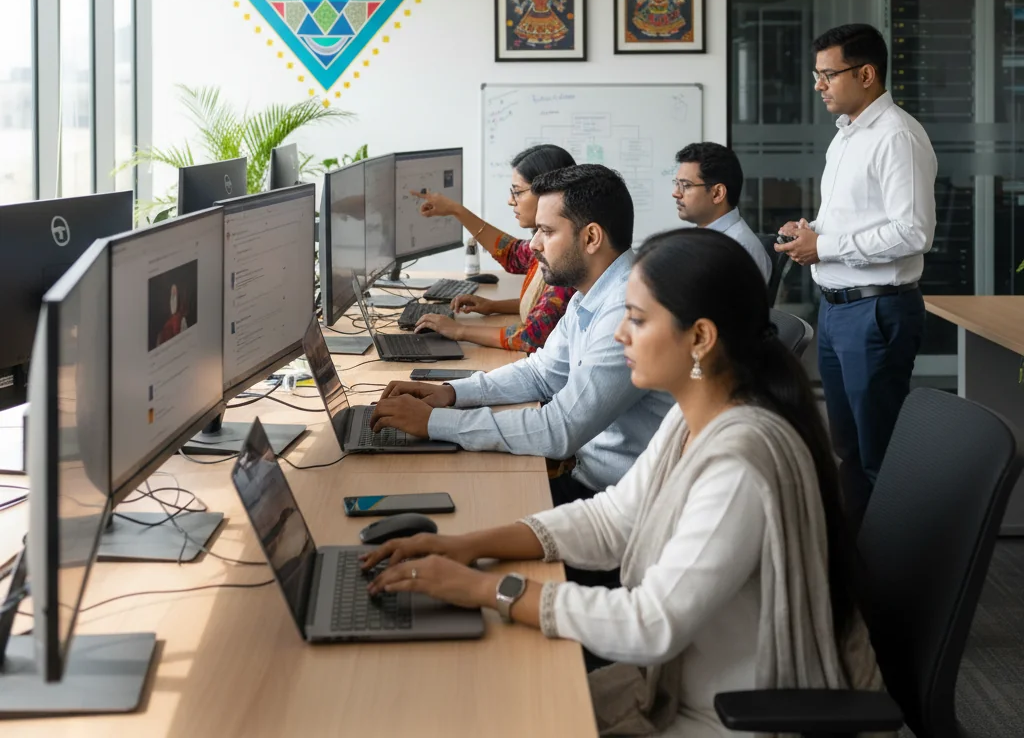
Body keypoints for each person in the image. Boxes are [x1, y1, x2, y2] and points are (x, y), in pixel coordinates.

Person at [361, 229, 884, 737]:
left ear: (700, 337)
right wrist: (466, 545)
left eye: (636, 319)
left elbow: (650, 623)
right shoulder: (694, 418)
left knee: (490, 701)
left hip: (724, 714)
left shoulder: (739, 463)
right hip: (677, 686)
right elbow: (613, 518)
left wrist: (484, 587)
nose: (618, 334)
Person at [371, 165, 675, 509]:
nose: (533, 245)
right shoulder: (590, 292)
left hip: (613, 502)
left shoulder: (626, 310)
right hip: (588, 481)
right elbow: (541, 373)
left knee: (461, 504)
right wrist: (452, 394)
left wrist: (435, 422)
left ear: (591, 238)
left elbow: (558, 430)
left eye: (546, 231)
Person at [777, 23, 936, 526]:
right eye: (817, 75)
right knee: (846, 448)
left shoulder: (898, 138)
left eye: (828, 75)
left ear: (866, 74)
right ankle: (856, 564)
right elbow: (853, 220)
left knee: (879, 454)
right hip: (839, 309)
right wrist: (812, 231)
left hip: (877, 310)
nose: (818, 85)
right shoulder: (845, 138)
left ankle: (895, 573)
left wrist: (824, 245)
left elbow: (912, 233)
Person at [411, 144, 576, 352]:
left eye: (517, 192)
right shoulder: (546, 243)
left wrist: (460, 331)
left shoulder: (567, 261)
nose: (510, 201)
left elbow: (531, 336)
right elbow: (514, 255)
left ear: (548, 193)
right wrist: (492, 306)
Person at [673, 142, 771, 284]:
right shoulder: (699, 238)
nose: (675, 193)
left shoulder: (739, 249)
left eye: (686, 186)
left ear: (717, 193)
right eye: (676, 184)